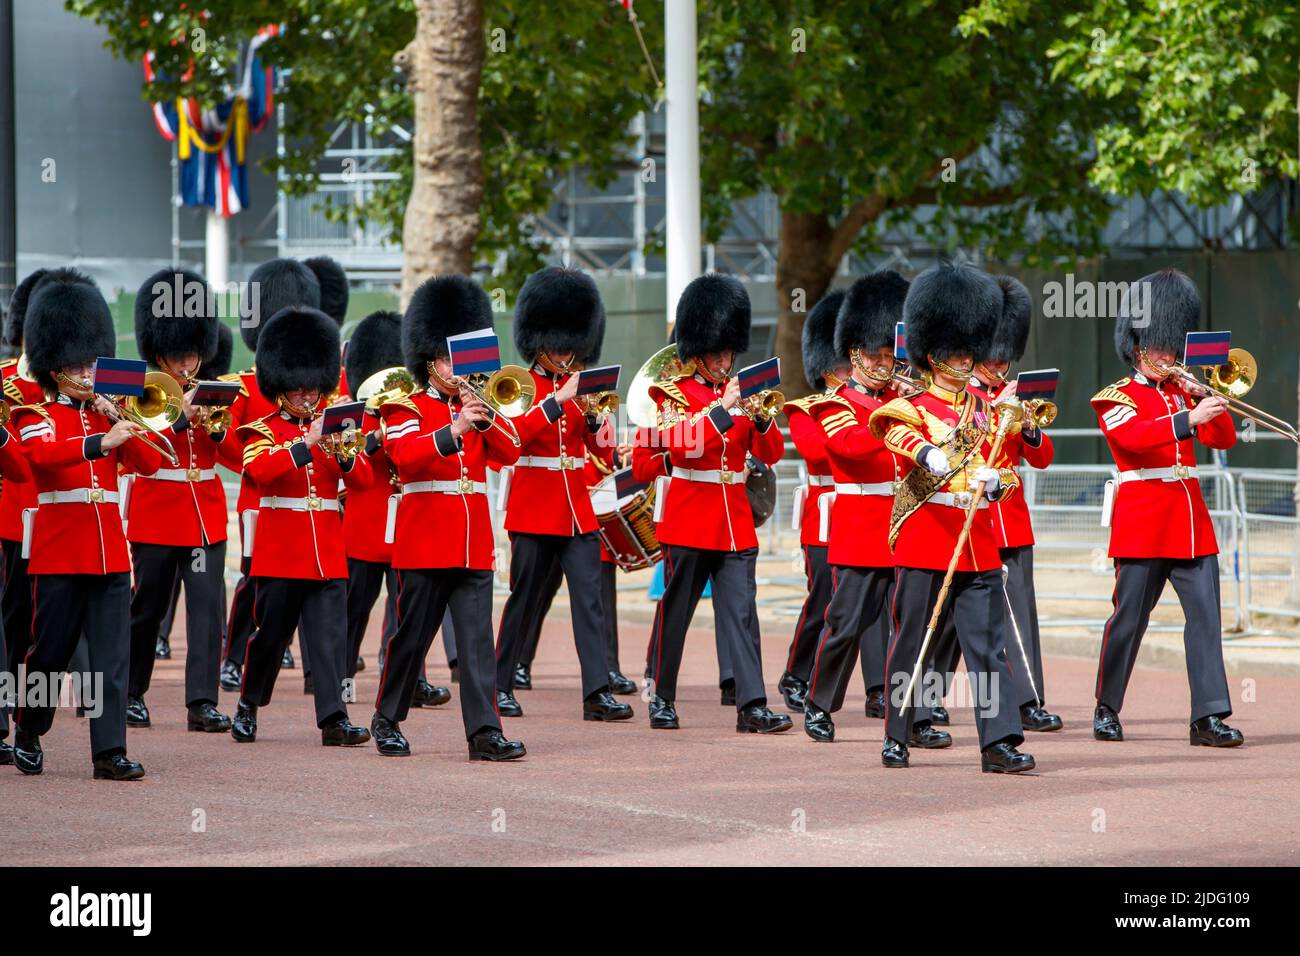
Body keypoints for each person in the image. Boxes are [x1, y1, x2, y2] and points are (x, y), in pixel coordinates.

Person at [868, 262, 1034, 773]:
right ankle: (897, 733)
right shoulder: (910, 405)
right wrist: (927, 454)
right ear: (933, 355)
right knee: (911, 639)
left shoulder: (987, 410)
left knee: (987, 647)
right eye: (956, 353)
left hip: (975, 538)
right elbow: (889, 432)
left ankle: (998, 741)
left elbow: (1010, 472)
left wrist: (995, 483)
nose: (965, 360)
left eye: (969, 351)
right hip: (927, 533)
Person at [11, 272, 162, 779]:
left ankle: (108, 751)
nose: (86, 371)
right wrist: (99, 442)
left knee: (111, 656)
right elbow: (41, 458)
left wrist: (119, 416)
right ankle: (30, 726)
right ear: (56, 369)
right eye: (77, 365)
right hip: (60, 549)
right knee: (50, 652)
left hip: (109, 551)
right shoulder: (35, 413)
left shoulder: (107, 410)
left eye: (90, 362)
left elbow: (149, 464)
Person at [370, 274, 525, 760]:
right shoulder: (406, 406)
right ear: (429, 361)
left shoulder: (478, 406)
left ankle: (484, 733)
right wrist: (455, 427)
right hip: (425, 542)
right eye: (446, 358)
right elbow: (406, 457)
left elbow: (512, 452)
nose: (455, 367)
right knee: (412, 638)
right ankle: (386, 718)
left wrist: (486, 415)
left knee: (478, 643)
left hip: (473, 541)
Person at [1090, 268, 1242, 747]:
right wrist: (1186, 419)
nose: (1169, 356)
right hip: (1143, 522)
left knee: (1206, 620)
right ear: (1138, 346)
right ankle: (1107, 707)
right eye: (1160, 347)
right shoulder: (1116, 396)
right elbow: (1131, 440)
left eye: (1173, 347)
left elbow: (1226, 439)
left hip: (1191, 523)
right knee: (1129, 620)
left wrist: (1209, 399)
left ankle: (1208, 717)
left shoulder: (1185, 391)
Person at [642, 273, 790, 733]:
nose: (725, 361)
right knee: (677, 610)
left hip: (734, 517)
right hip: (690, 514)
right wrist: (724, 409)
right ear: (697, 350)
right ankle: (661, 695)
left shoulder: (742, 394)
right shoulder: (670, 395)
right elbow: (682, 444)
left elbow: (770, 455)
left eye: (729, 352)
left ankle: (752, 705)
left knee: (742, 614)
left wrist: (762, 420)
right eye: (716, 352)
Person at [228, 305, 371, 747]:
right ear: (281, 387)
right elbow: (262, 474)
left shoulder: (335, 427)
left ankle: (333, 719)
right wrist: (306, 444)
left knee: (329, 638)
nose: (309, 397)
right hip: (281, 552)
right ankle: (249, 705)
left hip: (327, 548)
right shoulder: (262, 430)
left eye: (314, 388)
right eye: (300, 389)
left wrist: (345, 450)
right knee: (270, 637)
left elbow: (362, 481)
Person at [492, 267, 631, 723]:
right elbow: (511, 440)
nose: (564, 353)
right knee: (523, 598)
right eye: (555, 345)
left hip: (577, 507)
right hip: (533, 506)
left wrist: (592, 421)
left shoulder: (583, 385)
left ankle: (596, 692)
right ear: (537, 341)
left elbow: (604, 451)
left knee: (589, 599)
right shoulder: (517, 384)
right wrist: (556, 401)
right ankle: (500, 685)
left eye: (572, 345)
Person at [929, 276, 1062, 733]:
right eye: (991, 356)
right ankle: (926, 704)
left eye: (1004, 356)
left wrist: (1026, 425)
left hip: (1010, 519)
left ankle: (1028, 701)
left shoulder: (1013, 396)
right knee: (947, 620)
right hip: (965, 515)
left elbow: (1042, 459)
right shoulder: (964, 400)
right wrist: (997, 411)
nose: (998, 364)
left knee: (1020, 615)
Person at [800, 272, 908, 742]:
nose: (885, 363)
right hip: (860, 527)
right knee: (846, 624)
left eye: (890, 354)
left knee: (908, 627)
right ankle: (820, 702)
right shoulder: (833, 404)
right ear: (854, 354)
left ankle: (911, 716)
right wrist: (898, 413)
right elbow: (850, 446)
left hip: (904, 527)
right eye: (875, 355)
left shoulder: (906, 401)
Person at [123, 269, 232, 734]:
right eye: (178, 355)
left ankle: (202, 702)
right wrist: (180, 420)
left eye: (193, 353)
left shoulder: (217, 389)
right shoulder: (136, 388)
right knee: (148, 608)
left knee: (207, 608)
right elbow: (138, 456)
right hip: (156, 514)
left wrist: (217, 428)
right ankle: (130, 692)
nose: (187, 363)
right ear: (158, 351)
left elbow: (237, 460)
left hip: (204, 514)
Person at [219, 258, 323, 691]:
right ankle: (235, 654)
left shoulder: (318, 385)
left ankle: (285, 646)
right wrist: (264, 464)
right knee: (254, 575)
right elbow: (231, 448)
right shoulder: (242, 385)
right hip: (261, 497)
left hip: (309, 498)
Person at [341, 309, 451, 709]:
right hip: (369, 518)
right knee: (356, 606)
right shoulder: (351, 412)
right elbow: (349, 459)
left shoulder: (414, 406)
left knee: (408, 611)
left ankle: (412, 677)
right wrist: (376, 436)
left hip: (406, 518)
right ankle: (341, 677)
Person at [776, 289, 845, 712]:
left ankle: (879, 689)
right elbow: (820, 453)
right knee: (824, 602)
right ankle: (796, 674)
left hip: (878, 515)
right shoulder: (808, 409)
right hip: (826, 518)